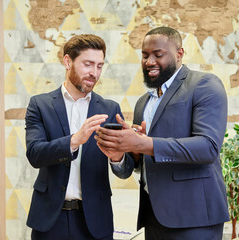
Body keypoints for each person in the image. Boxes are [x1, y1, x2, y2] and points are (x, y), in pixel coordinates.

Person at [95, 26, 230, 240]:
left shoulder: (205, 84)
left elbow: (208, 148)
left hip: (194, 220)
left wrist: (142, 143)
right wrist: (119, 156)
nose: (149, 61)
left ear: (179, 54)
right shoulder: (142, 103)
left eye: (158, 55)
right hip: (154, 218)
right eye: (145, 55)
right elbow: (135, 166)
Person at [25, 34, 130, 240]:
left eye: (99, 66)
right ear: (67, 61)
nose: (94, 73)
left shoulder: (110, 109)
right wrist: (74, 140)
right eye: (88, 64)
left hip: (94, 222)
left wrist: (118, 157)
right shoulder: (39, 105)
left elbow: (124, 172)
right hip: (49, 221)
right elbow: (35, 154)